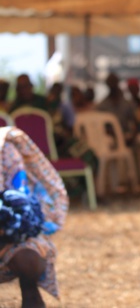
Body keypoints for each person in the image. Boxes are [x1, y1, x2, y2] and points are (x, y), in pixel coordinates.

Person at [0, 126, 68, 308]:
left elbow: (21, 205)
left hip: (6, 236)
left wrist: (7, 222)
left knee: (29, 257)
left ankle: (31, 297)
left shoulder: (5, 151)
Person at [96, 72, 139, 148]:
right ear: (107, 84)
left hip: (127, 134)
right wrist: (116, 135)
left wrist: (133, 135)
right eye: (110, 82)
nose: (112, 84)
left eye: (114, 82)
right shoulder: (102, 106)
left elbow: (136, 121)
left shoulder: (128, 103)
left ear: (117, 82)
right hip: (110, 136)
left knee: (139, 140)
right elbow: (101, 126)